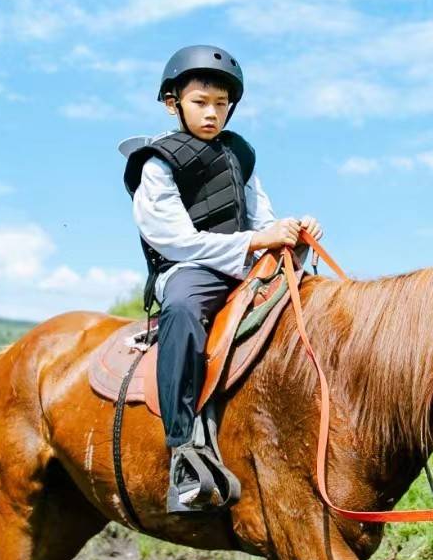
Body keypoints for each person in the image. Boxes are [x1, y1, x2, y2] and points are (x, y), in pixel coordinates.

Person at [122, 45, 322, 512]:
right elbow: (174, 240)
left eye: (221, 104)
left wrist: (293, 236)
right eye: (200, 103)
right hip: (192, 269)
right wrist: (253, 245)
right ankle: (183, 453)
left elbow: (261, 219)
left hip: (246, 266)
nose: (212, 113)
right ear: (174, 102)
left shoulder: (239, 156)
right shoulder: (158, 164)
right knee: (184, 310)